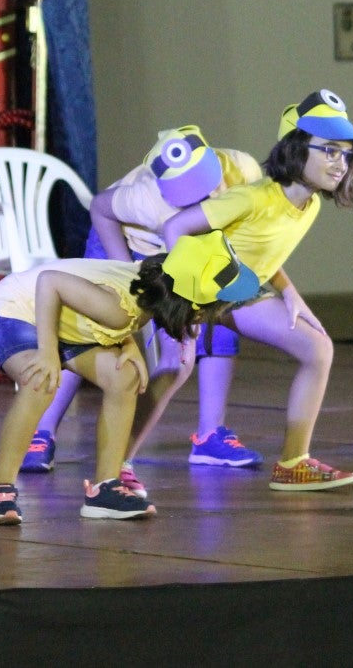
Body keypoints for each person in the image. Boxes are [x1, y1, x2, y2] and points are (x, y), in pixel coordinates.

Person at [18, 125, 265, 477]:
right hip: (126, 248)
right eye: (187, 192)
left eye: (204, 183)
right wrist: (126, 276)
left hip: (192, 259)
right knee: (90, 336)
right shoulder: (146, 197)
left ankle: (210, 435)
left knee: (217, 326)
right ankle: (39, 434)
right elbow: (101, 210)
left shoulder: (242, 170)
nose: (201, 196)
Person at [0, 229, 261, 525]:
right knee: (42, 379)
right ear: (194, 307)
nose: (209, 319)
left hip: (64, 321)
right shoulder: (119, 309)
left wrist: (126, 343)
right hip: (14, 311)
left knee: (125, 375)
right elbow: (50, 283)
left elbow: (109, 301)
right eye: (213, 311)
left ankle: (105, 488)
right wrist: (47, 353)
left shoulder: (151, 289)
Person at [158, 89, 353, 492]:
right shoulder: (253, 196)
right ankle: (111, 468)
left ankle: (294, 462)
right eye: (328, 150)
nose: (339, 163)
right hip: (195, 289)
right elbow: (175, 228)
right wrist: (181, 299)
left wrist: (290, 293)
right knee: (165, 372)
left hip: (236, 293)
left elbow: (262, 250)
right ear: (295, 148)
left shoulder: (311, 205)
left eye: (347, 153)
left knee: (318, 348)